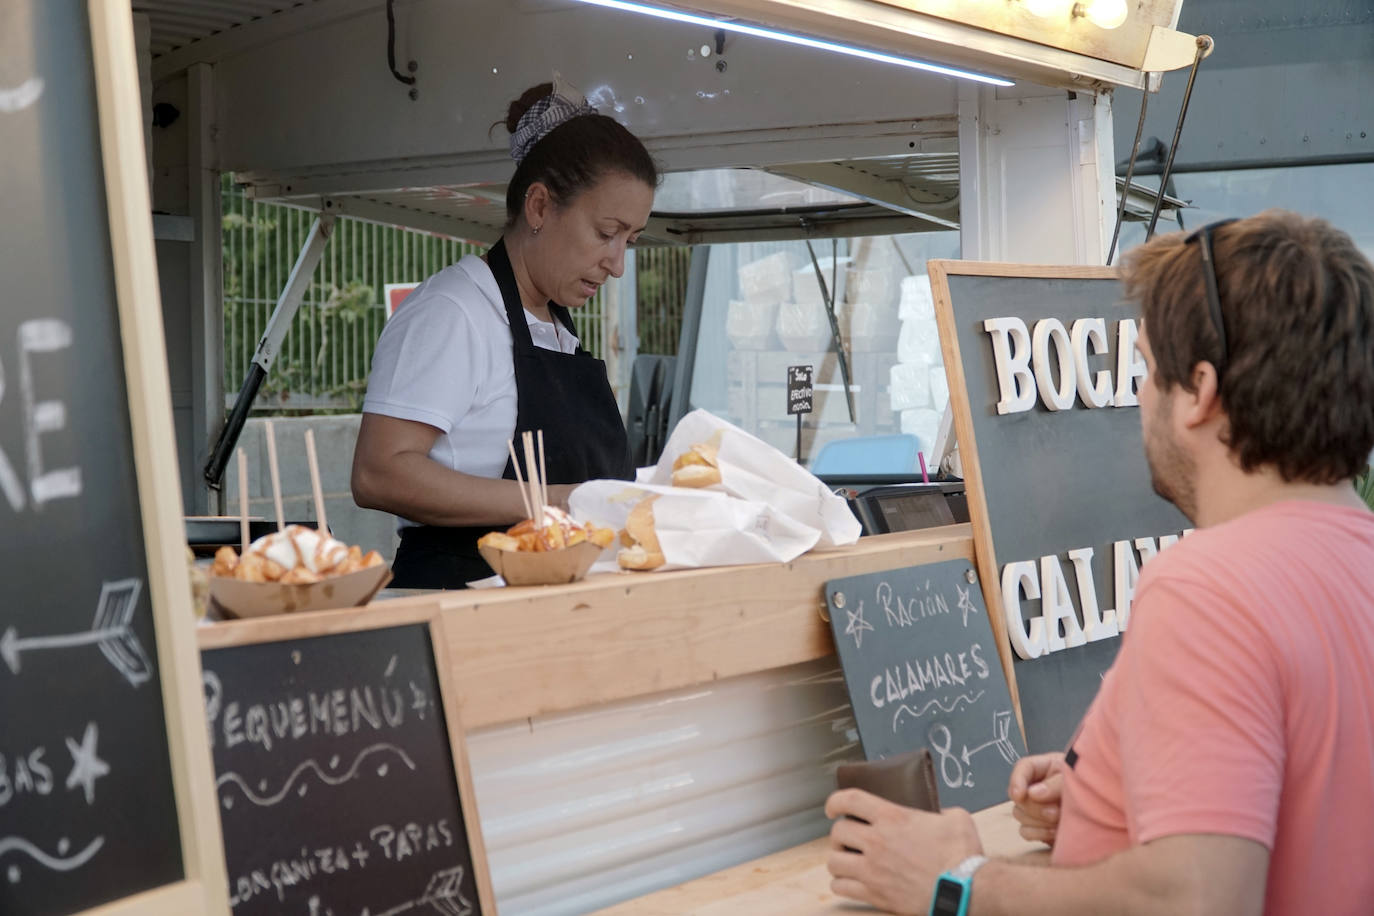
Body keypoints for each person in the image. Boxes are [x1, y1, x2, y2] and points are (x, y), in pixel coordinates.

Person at [824, 209, 1374, 915]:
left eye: (1147, 369)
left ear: (1200, 393)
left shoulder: (1207, 589)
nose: (1139, 398)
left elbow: (1196, 900)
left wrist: (956, 882)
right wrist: (1114, 795)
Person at [352, 75, 657, 588]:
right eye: (606, 233)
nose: (617, 264)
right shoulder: (455, 311)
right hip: (463, 601)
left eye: (631, 239)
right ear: (539, 206)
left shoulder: (557, 328)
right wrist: (557, 500)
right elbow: (378, 472)